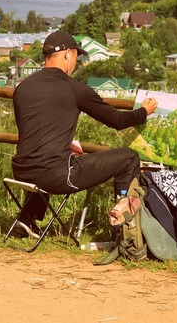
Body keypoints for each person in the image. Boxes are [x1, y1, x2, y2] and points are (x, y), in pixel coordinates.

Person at [10, 31, 158, 238]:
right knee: (129, 157)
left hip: (21, 170)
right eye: (76, 57)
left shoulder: (23, 86)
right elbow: (116, 120)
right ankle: (124, 228)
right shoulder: (74, 88)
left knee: (47, 162)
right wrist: (144, 112)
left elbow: (36, 133)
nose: (75, 64)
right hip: (55, 176)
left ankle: (27, 219)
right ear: (67, 54)